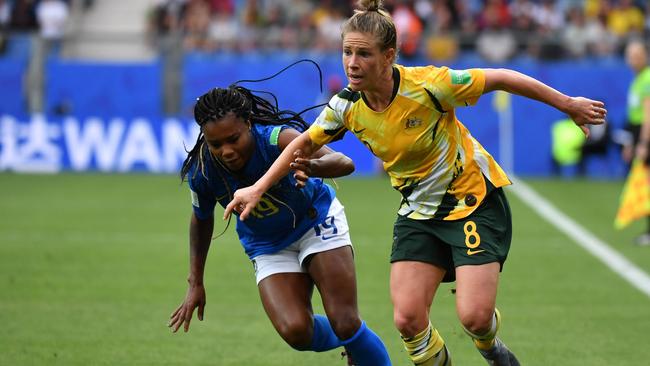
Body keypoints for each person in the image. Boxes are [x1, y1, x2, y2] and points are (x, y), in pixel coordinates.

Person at [223, 1, 607, 365]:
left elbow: (502, 77)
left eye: (364, 54)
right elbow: (305, 142)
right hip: (418, 213)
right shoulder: (345, 105)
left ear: (389, 56)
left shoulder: (430, 86)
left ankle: (491, 347)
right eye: (347, 53)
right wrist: (257, 188)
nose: (352, 64)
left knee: (474, 318)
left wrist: (567, 104)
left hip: (472, 200)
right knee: (407, 320)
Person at [168, 85, 392, 366]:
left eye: (233, 139)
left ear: (248, 124)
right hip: (267, 244)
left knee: (345, 321)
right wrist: (195, 282)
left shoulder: (276, 139)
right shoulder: (202, 170)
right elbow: (201, 220)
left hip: (316, 222)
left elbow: (344, 163)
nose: (226, 151)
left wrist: (312, 166)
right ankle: (354, 338)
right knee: (296, 332)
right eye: (216, 144)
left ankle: (352, 334)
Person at [622, 39, 650, 246]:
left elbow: (648, 114)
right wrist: (630, 142)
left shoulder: (647, 79)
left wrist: (644, 143)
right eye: (630, 56)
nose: (632, 60)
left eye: (636, 56)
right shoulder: (638, 79)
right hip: (638, 133)